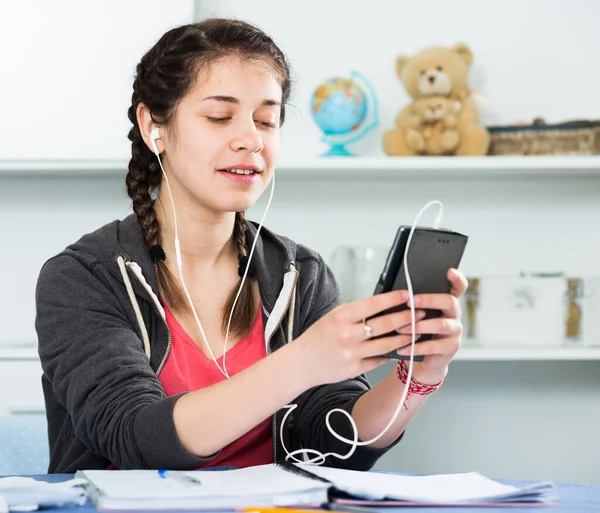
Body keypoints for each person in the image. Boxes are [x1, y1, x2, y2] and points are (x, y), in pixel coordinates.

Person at [35, 18, 467, 474]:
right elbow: (136, 438)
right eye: (219, 117)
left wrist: (417, 376)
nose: (251, 140)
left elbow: (337, 441)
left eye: (266, 119)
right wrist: (300, 363)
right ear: (153, 126)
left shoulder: (299, 273)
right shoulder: (83, 277)